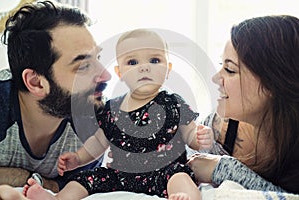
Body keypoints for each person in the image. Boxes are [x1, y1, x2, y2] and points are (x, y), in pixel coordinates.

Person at [23, 29, 215, 200]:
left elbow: (190, 134)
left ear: (168, 70)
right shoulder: (112, 108)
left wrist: (200, 138)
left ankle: (186, 197)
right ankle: (57, 198)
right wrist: (78, 159)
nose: (144, 67)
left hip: (163, 172)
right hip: (120, 175)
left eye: (155, 60)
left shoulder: (173, 103)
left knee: (180, 176)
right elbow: (99, 142)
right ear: (119, 72)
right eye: (132, 62)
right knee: (84, 179)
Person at [0, 0, 111, 192]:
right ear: (36, 82)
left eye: (97, 59)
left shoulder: (95, 118)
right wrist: (29, 179)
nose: (105, 76)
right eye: (83, 66)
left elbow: (74, 190)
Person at [187, 15, 299, 194]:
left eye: (230, 70)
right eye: (221, 65)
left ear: (272, 83)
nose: (216, 78)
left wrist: (225, 168)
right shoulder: (218, 129)